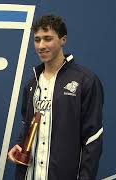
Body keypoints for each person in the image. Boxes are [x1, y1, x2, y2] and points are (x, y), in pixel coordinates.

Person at [8, 15, 104, 180]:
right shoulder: (32, 84)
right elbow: (27, 124)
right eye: (37, 40)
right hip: (29, 174)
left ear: (63, 40)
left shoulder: (85, 80)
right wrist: (19, 144)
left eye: (48, 39)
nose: (41, 45)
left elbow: (93, 138)